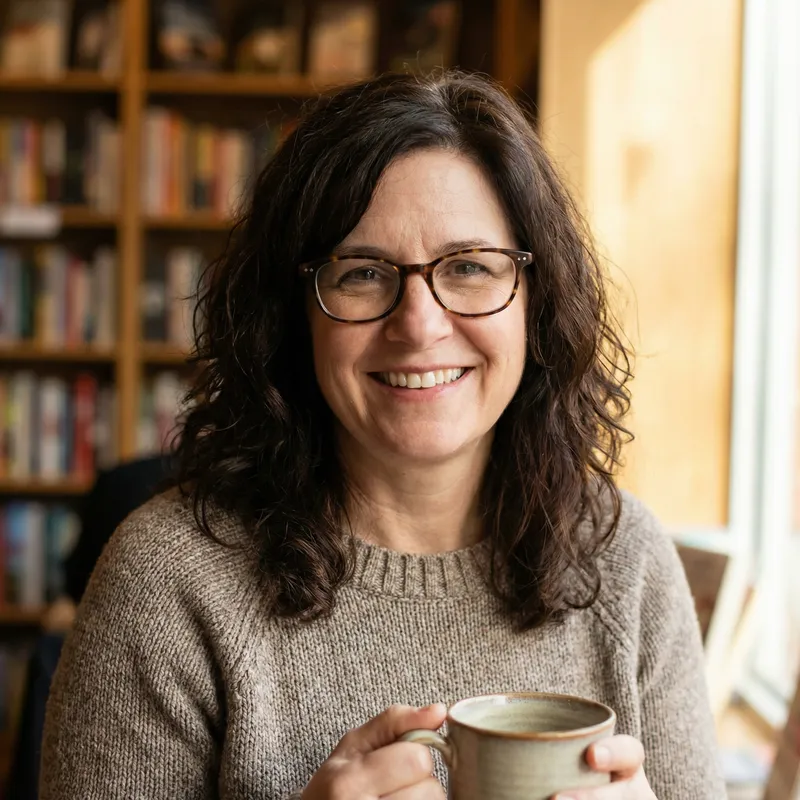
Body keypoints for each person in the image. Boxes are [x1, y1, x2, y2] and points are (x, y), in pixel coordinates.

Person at [39, 71, 726, 799]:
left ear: (538, 300)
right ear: (292, 315)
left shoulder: (627, 563)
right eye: (363, 273)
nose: (420, 325)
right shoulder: (165, 583)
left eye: (469, 267)